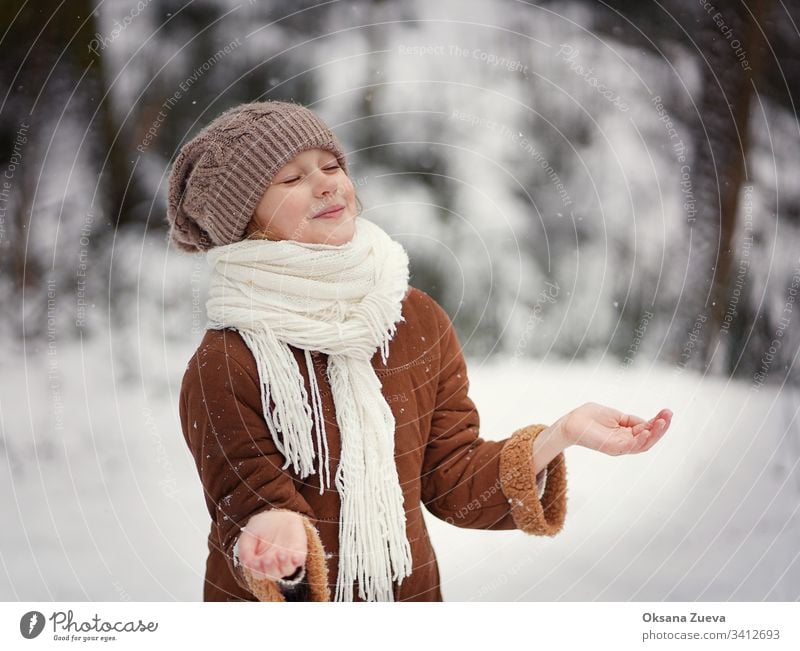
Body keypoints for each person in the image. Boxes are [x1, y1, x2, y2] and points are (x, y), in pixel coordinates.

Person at [166, 100, 673, 602]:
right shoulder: (226, 363)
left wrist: (560, 434)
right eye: (291, 179)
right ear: (244, 220)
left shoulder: (414, 320)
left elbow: (452, 478)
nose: (326, 182)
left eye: (331, 165)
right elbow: (245, 499)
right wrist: (274, 534)